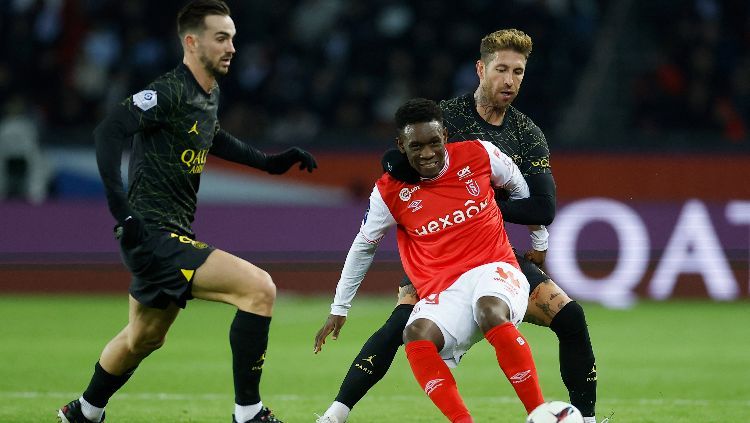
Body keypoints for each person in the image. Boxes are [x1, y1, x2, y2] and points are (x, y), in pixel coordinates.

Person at [314, 29, 598, 423]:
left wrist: (499, 214)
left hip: (491, 250)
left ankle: (584, 418)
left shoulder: (526, 134)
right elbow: (403, 151)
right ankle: (335, 412)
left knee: (570, 316)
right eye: (501, 69)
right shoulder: (447, 116)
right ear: (480, 69)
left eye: (518, 72)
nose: (509, 80)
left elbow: (542, 205)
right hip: (434, 255)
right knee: (402, 326)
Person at [57, 1, 317, 422]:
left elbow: (214, 137)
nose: (231, 47)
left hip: (166, 232)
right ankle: (249, 413)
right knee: (259, 289)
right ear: (191, 42)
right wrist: (122, 212)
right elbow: (109, 130)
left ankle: (84, 411)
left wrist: (271, 162)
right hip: (153, 234)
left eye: (232, 37)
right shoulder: (169, 91)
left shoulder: (205, 94)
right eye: (221, 38)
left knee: (144, 337)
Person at [315, 98, 545, 422]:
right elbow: (363, 246)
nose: (427, 154)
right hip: (445, 289)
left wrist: (540, 239)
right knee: (415, 333)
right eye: (416, 146)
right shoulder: (389, 191)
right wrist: (340, 306)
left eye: (434, 142)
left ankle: (539, 413)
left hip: (495, 269)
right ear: (401, 145)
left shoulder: (480, 154)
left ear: (445, 135)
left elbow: (520, 187)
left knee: (491, 309)